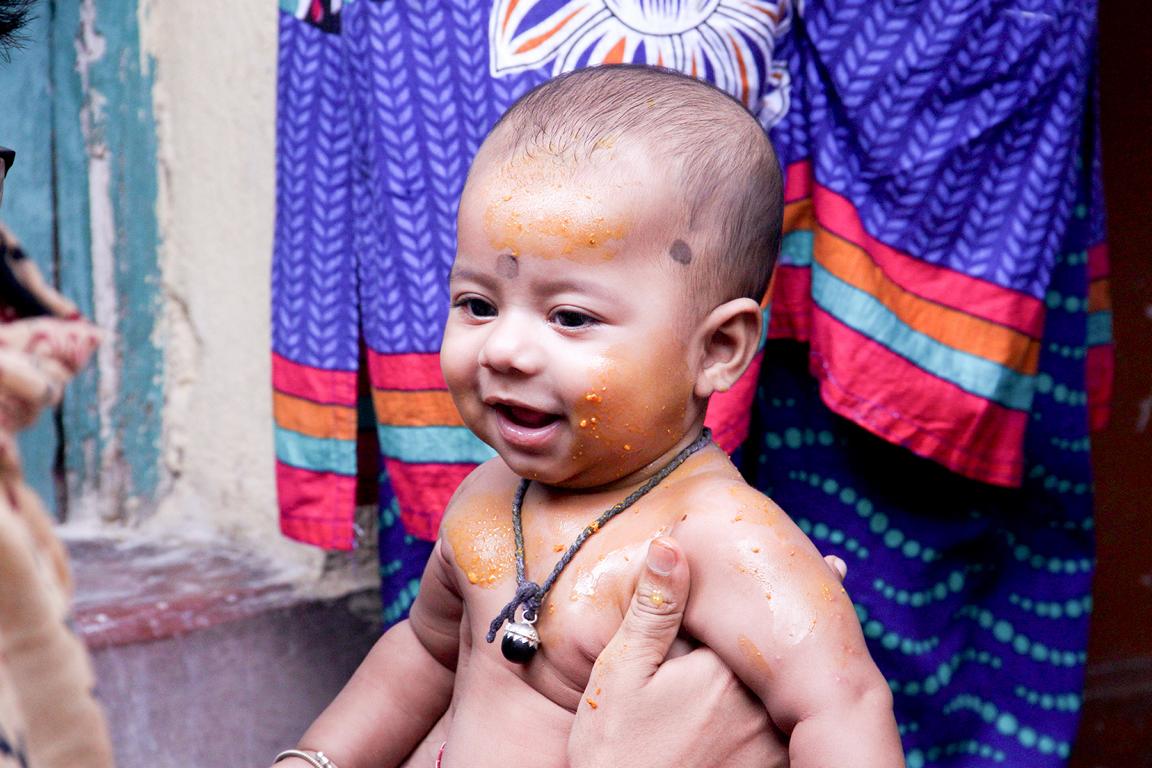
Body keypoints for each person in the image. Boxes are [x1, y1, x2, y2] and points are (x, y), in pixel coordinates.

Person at [272, 66, 902, 768]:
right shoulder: (484, 500)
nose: (505, 349)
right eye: (477, 304)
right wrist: (317, 759)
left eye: (570, 317)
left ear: (718, 350)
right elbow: (423, 652)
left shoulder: (722, 541)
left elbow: (841, 707)